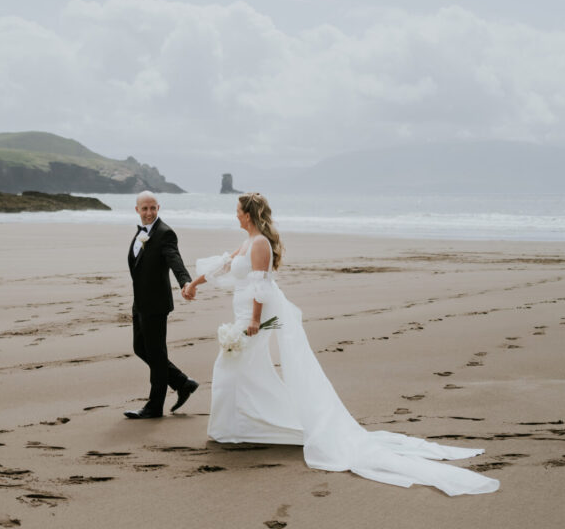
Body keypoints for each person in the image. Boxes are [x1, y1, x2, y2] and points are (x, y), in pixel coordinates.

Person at [181, 192, 499, 495]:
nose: (235, 215)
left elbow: (261, 285)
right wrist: (194, 283)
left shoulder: (261, 243)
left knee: (229, 365)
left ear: (247, 214)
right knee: (244, 370)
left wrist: (254, 320)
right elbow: (226, 265)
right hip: (243, 312)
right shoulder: (248, 241)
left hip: (255, 317)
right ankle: (243, 426)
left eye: (237, 210)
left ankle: (237, 427)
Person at [123, 191, 198, 419]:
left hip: (156, 304)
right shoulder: (141, 233)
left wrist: (185, 282)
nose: (149, 213)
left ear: (158, 208)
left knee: (156, 353)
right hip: (140, 303)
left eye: (153, 208)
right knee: (140, 348)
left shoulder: (165, 233)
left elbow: (175, 260)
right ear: (137, 209)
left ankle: (155, 406)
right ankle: (181, 382)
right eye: (144, 209)